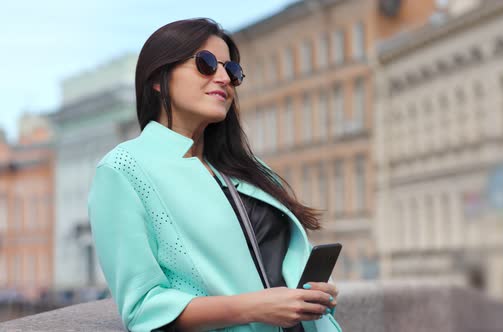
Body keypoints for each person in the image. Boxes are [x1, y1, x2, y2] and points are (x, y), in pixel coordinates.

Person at [87, 18, 342, 332]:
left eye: (232, 70)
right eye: (206, 64)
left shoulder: (252, 169)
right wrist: (256, 307)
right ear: (158, 78)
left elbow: (281, 260)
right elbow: (143, 308)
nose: (223, 77)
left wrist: (319, 291)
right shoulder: (124, 169)